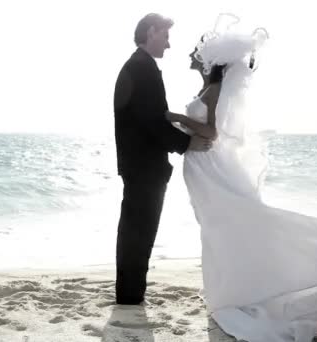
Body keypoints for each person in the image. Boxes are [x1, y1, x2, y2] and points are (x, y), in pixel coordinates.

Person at [164, 13, 317, 342]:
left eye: (197, 51)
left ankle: (240, 292)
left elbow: (211, 132)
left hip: (210, 169)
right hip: (201, 169)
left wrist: (176, 117)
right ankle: (227, 293)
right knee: (217, 231)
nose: (192, 55)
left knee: (226, 228)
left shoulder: (216, 89)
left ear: (212, 59)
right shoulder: (208, 87)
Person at [112, 13, 212, 305]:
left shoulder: (140, 66)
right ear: (151, 31)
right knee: (138, 230)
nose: (168, 45)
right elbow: (151, 121)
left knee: (136, 229)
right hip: (144, 166)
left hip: (139, 165)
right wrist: (187, 142)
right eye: (166, 37)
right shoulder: (142, 68)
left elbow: (153, 119)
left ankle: (130, 293)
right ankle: (130, 295)